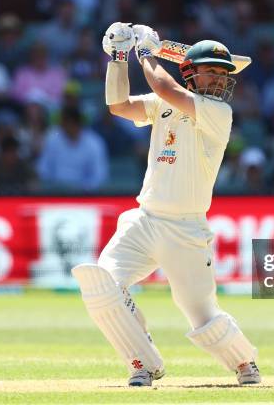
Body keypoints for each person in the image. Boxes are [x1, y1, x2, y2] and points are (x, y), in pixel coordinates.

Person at [71, 22, 260, 387]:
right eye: (212, 72)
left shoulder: (218, 113)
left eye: (224, 74)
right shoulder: (163, 105)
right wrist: (119, 57)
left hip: (186, 228)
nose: (221, 80)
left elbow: (162, 84)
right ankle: (143, 362)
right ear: (190, 72)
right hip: (145, 219)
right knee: (103, 284)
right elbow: (118, 106)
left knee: (199, 313)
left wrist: (147, 51)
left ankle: (244, 362)